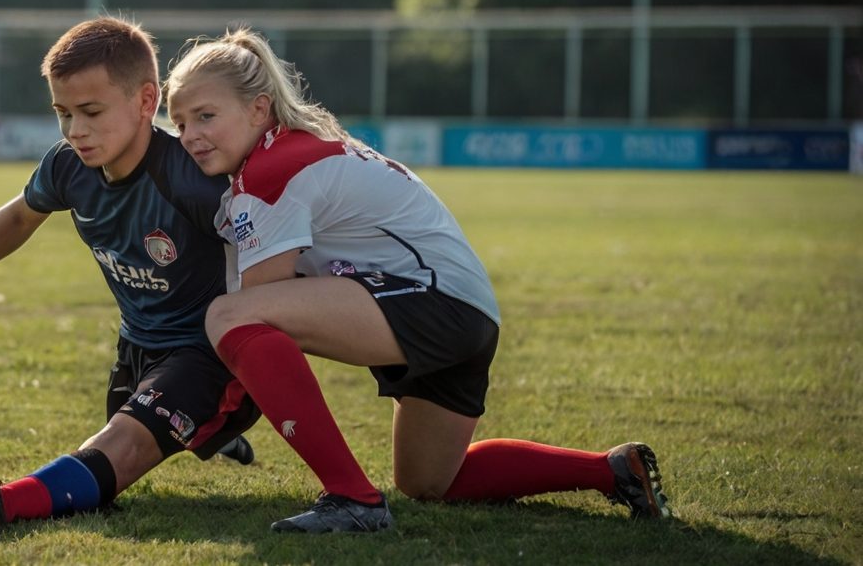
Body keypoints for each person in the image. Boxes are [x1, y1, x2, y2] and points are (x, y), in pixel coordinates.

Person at [163, 28, 672, 534]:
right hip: (464, 310)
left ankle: (352, 498)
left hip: (434, 303)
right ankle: (611, 470)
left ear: (258, 109)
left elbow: (256, 304)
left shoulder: (270, 170)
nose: (190, 135)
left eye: (206, 116)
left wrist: (204, 420)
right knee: (431, 481)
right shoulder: (294, 146)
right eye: (180, 122)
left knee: (232, 315)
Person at [0, 17, 260, 539]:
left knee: (123, 445)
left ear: (146, 102)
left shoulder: (192, 179)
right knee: (128, 424)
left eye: (91, 112)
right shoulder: (67, 167)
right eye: (63, 114)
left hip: (206, 351)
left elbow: (273, 247)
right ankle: (207, 431)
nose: (75, 131)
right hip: (137, 345)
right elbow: (18, 216)